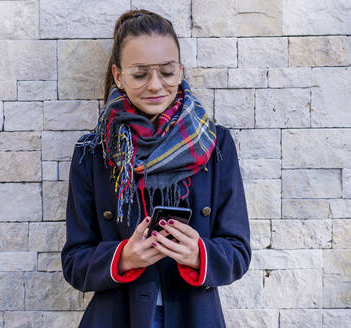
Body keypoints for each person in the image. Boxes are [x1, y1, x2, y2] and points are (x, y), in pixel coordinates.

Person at [61, 9, 251, 328]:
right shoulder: (92, 152)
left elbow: (238, 252)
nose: (155, 85)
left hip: (196, 315)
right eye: (139, 74)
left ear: (180, 71)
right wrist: (123, 257)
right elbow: (74, 262)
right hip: (116, 317)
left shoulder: (216, 145)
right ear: (118, 76)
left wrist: (198, 253)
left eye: (166, 71)